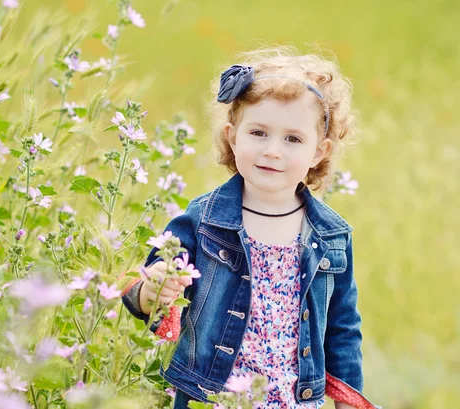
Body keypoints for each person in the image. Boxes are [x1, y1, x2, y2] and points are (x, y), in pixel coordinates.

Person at [121, 46, 380, 409]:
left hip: (294, 400)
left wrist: (349, 402)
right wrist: (155, 289)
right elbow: (146, 291)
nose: (272, 150)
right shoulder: (204, 218)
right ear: (232, 135)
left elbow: (342, 329)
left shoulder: (331, 236)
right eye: (258, 133)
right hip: (210, 397)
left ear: (319, 152)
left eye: (293, 139)